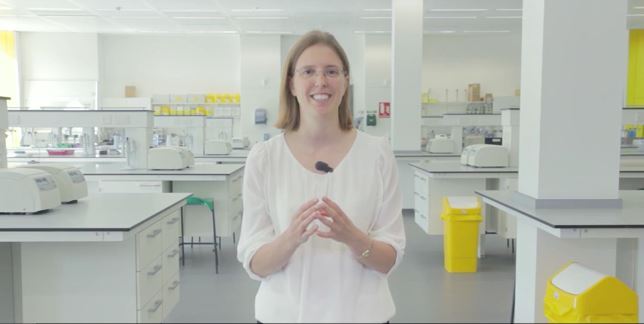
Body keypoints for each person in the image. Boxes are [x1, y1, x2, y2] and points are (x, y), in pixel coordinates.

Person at [237, 30, 406, 323]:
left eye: (331, 71)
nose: (321, 81)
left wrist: (352, 237)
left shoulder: (377, 154)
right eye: (308, 72)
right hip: (282, 316)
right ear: (291, 83)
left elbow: (389, 258)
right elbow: (256, 264)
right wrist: (290, 239)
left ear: (345, 81)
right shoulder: (264, 158)